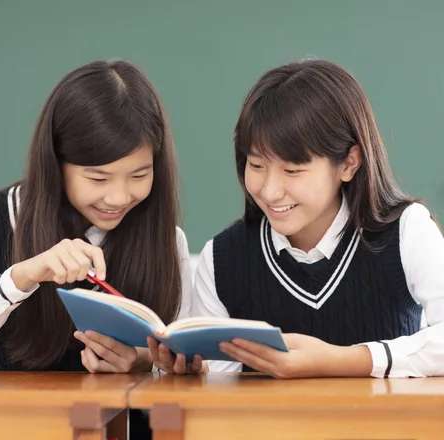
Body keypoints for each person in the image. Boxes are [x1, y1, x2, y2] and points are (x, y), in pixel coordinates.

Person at [152, 59, 444, 378]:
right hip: (265, 429)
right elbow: (220, 383)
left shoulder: (406, 231)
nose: (270, 190)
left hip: (384, 429)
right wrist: (194, 372)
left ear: (348, 163)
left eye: (292, 170)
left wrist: (340, 360)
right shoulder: (221, 260)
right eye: (257, 165)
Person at [0, 59, 193, 377]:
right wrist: (21, 277)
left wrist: (148, 364)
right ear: (56, 163)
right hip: (14, 423)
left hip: (120, 425)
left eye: (139, 175)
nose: (118, 198)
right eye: (98, 179)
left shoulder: (167, 240)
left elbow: (182, 370)